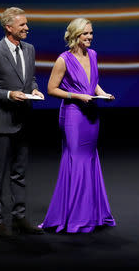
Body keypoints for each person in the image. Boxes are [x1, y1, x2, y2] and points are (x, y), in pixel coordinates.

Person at [39, 18, 116, 233]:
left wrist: (102, 94)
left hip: (91, 113)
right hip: (73, 116)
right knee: (76, 160)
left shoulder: (93, 55)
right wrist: (77, 96)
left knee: (90, 159)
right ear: (75, 35)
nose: (89, 37)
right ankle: (73, 216)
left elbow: (93, 81)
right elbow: (52, 89)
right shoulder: (63, 60)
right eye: (85, 34)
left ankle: (92, 214)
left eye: (91, 33)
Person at [0, 7, 45, 237]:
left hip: (23, 121)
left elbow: (30, 78)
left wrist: (34, 89)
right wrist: (9, 94)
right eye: (22, 25)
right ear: (9, 27)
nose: (27, 28)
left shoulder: (30, 49)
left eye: (26, 24)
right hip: (2, 123)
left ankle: (19, 219)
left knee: (20, 173)